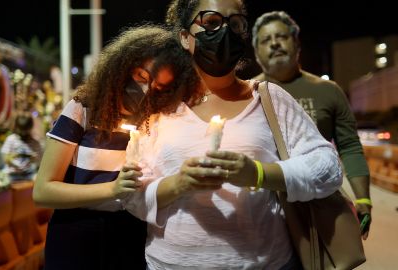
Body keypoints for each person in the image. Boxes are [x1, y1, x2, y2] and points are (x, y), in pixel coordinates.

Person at [122, 1, 343, 269]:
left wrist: (259, 174)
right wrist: (179, 184)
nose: (224, 32)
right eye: (212, 23)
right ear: (184, 37)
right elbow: (133, 197)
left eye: (235, 24)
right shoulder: (158, 109)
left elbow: (328, 167)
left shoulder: (268, 98)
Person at [32, 25, 200, 270]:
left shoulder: (157, 121)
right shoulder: (83, 110)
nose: (145, 91)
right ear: (123, 64)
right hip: (76, 234)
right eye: (142, 77)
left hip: (131, 235)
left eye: (158, 88)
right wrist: (113, 189)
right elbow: (43, 192)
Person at [251, 11, 373, 238]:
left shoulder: (328, 91)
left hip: (318, 204)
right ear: (256, 52)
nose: (275, 43)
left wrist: (363, 198)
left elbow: (349, 146)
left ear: (296, 43)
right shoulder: (247, 94)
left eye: (281, 36)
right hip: (263, 209)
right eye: (266, 40)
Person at [1, 113, 42, 181]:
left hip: (28, 174)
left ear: (30, 128)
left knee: (38, 180)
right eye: (21, 130)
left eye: (25, 130)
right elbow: (5, 158)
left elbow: (39, 160)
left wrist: (34, 159)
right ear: (16, 127)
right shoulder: (11, 139)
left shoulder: (35, 143)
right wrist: (13, 157)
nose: (23, 133)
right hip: (12, 173)